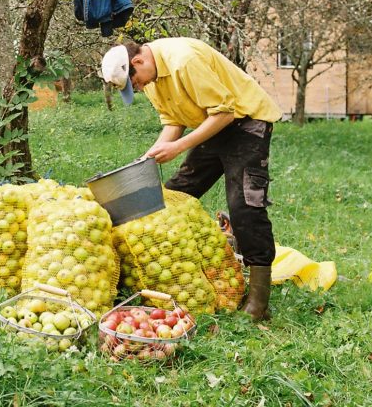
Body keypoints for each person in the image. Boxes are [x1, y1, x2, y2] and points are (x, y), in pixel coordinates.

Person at [101, 38, 282, 321]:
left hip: (246, 122)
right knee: (175, 195)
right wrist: (149, 158)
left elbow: (225, 111)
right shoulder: (152, 79)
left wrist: (179, 147)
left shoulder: (184, 61)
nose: (135, 89)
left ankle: (259, 302)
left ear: (137, 62)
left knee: (245, 204)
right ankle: (193, 265)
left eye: (132, 83)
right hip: (213, 125)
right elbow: (173, 121)